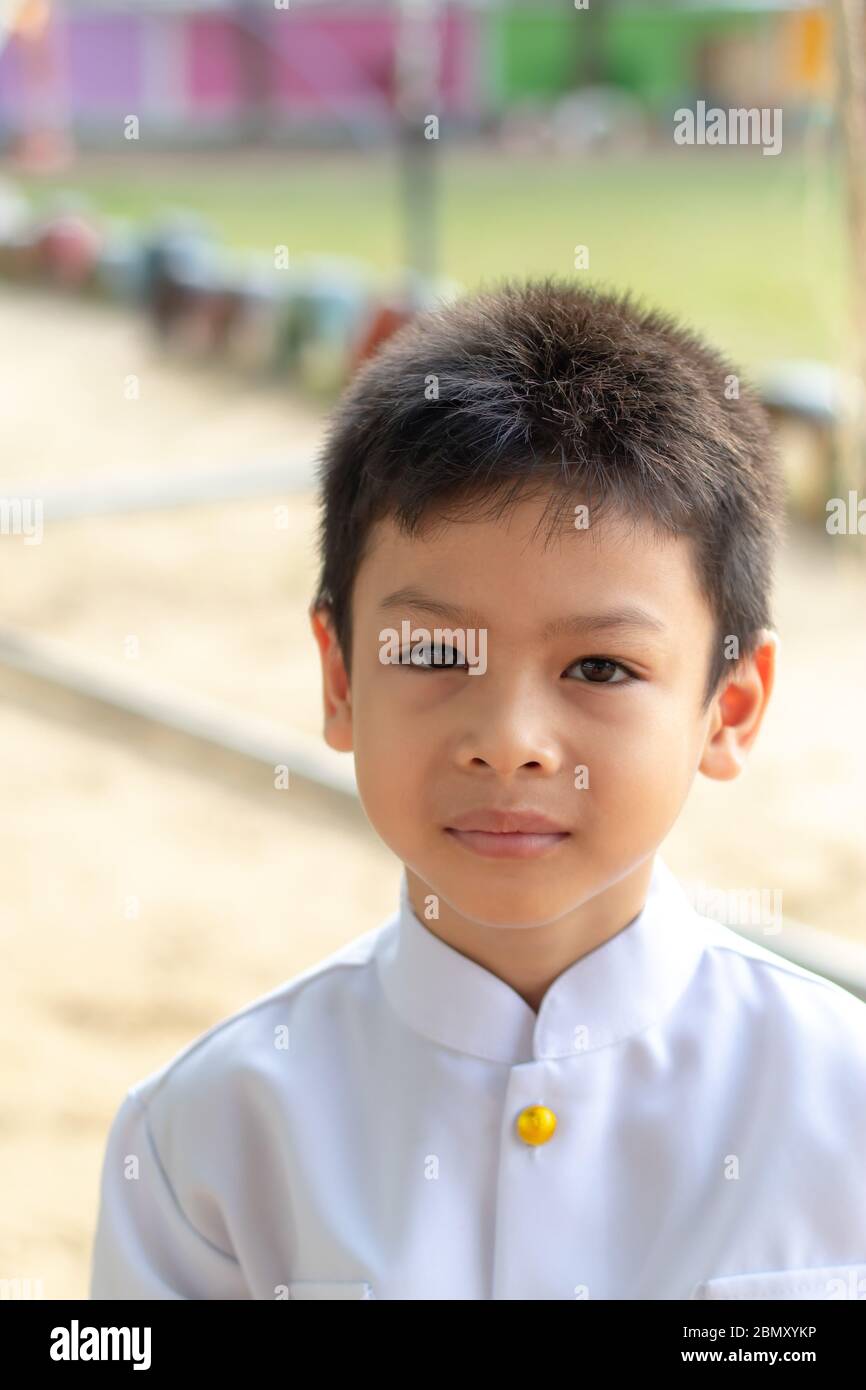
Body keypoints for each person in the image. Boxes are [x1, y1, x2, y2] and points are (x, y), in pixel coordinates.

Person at [89, 278, 866, 1300]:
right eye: (432, 651)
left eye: (598, 667)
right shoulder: (209, 1139)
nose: (507, 744)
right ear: (340, 678)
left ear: (727, 707)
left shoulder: (838, 1104)